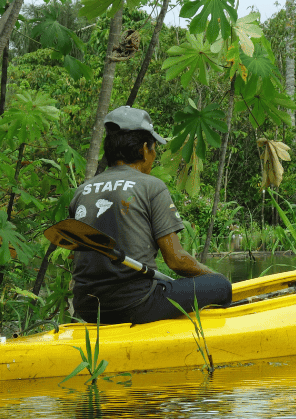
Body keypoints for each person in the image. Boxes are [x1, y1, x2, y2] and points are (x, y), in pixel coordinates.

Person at [69, 106, 232, 324]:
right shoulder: (152, 186)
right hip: (135, 304)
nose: (154, 155)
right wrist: (211, 276)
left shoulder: (81, 191)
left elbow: (79, 257)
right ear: (145, 148)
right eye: (154, 148)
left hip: (87, 306)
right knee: (221, 286)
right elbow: (175, 260)